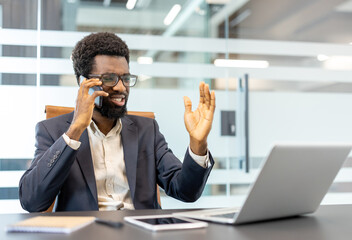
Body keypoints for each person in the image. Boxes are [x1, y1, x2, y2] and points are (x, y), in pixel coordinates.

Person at [19, 32, 216, 212]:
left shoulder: (147, 130)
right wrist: (75, 131)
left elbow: (185, 191)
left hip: (141, 232)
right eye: (110, 78)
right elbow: (31, 201)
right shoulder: (52, 130)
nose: (121, 88)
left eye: (125, 78)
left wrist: (198, 144)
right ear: (83, 83)